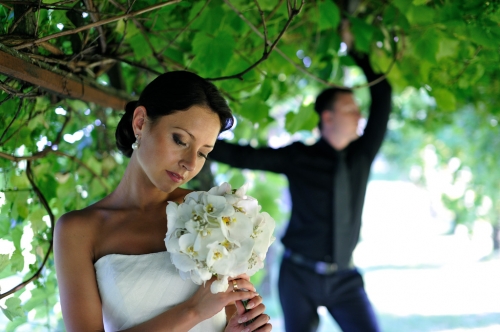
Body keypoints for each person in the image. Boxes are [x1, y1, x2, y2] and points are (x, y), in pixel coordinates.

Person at [54, 71, 273, 332]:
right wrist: (192, 311)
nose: (190, 163)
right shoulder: (79, 231)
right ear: (140, 123)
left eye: (203, 153)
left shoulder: (213, 215)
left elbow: (226, 312)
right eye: (180, 140)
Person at [209, 54, 392, 332]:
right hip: (298, 275)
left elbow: (383, 95)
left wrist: (358, 53)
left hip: (345, 277)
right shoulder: (299, 156)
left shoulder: (361, 156)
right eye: (350, 109)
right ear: (328, 117)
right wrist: (198, 139)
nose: (359, 115)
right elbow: (243, 155)